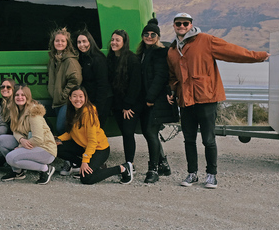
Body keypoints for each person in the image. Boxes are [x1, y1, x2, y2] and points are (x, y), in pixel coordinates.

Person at [167, 12, 270, 189]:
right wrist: (173, 90)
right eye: (178, 23)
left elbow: (232, 51)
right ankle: (192, 174)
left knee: (208, 139)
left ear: (191, 25)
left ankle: (211, 175)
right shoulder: (172, 50)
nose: (182, 26)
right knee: (189, 139)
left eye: (185, 23)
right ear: (174, 26)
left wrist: (259, 56)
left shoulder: (206, 40)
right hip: (185, 100)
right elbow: (172, 76)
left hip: (206, 98)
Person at [56, 86, 134, 185]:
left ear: (85, 98)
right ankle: (88, 167)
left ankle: (122, 168)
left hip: (99, 148)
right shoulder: (72, 111)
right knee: (56, 148)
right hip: (85, 146)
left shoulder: (89, 113)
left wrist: (85, 160)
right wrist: (57, 140)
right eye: (75, 96)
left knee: (86, 179)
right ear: (70, 98)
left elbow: (93, 141)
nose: (78, 99)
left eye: (81, 96)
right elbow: (71, 133)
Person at [136, 18, 175, 183]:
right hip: (146, 100)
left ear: (158, 36)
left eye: (153, 34)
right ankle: (163, 164)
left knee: (151, 133)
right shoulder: (143, 52)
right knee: (148, 132)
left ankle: (153, 170)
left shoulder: (160, 52)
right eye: (147, 34)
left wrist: (151, 98)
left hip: (155, 100)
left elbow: (160, 77)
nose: (149, 36)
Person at [1, 85, 58, 184]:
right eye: (17, 95)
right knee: (1, 140)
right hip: (29, 143)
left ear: (28, 97)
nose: (20, 97)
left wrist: (20, 147)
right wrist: (21, 140)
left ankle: (45, 169)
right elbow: (15, 130)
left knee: (10, 157)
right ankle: (18, 171)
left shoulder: (33, 113)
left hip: (45, 149)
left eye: (23, 95)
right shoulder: (15, 111)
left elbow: (38, 139)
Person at [106, 29, 142, 167]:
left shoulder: (132, 59)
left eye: (117, 40)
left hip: (130, 105)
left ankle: (129, 163)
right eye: (113, 39)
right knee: (124, 131)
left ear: (124, 42)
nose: (114, 42)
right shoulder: (110, 59)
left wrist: (128, 105)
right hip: (117, 104)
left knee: (127, 132)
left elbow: (135, 84)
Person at [47, 27, 82, 134]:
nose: (60, 43)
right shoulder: (54, 59)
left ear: (67, 43)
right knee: (63, 129)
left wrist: (64, 95)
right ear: (53, 42)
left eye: (63, 41)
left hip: (66, 101)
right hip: (57, 100)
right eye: (57, 40)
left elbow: (75, 80)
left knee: (61, 128)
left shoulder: (70, 60)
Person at [75, 29, 111, 126]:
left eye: (84, 41)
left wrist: (97, 109)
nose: (81, 45)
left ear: (90, 41)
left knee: (96, 133)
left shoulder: (98, 59)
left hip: (100, 102)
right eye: (79, 42)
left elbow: (103, 85)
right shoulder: (83, 58)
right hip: (89, 101)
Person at [0, 78, 19, 159]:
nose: (5, 89)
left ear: (13, 89)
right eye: (2, 87)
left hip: (23, 138)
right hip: (12, 137)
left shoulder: (18, 103)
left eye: (8, 87)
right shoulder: (2, 104)